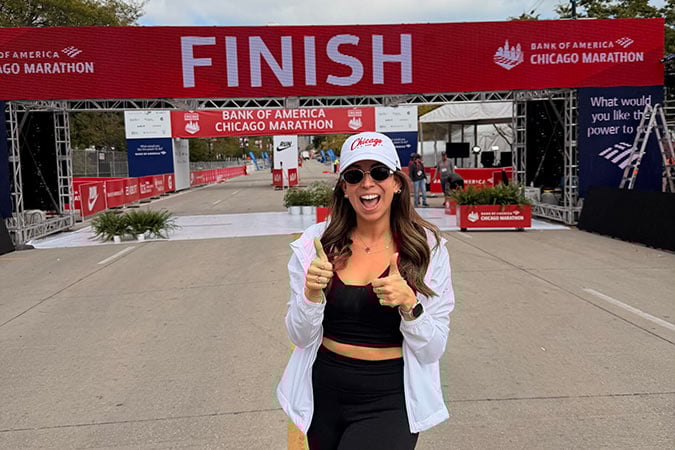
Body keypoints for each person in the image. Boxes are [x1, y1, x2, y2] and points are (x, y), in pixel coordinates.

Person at [277, 132, 455, 449]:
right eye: (355, 174)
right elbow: (300, 337)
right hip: (324, 396)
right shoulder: (315, 244)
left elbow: (433, 349)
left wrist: (410, 305)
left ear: (398, 183)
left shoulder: (427, 248)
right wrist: (310, 296)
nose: (368, 183)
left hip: (390, 400)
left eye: (379, 172)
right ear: (344, 187)